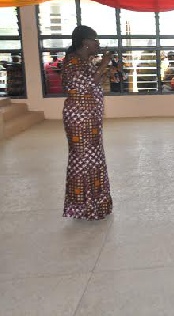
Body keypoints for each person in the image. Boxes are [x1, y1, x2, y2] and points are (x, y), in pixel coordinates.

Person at [62, 25, 113, 220]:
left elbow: (93, 82)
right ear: (85, 43)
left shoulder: (85, 61)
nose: (98, 43)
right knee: (83, 160)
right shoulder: (72, 61)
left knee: (94, 158)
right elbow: (85, 84)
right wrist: (104, 64)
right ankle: (83, 207)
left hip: (90, 118)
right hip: (79, 118)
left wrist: (103, 69)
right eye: (95, 40)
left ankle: (96, 205)